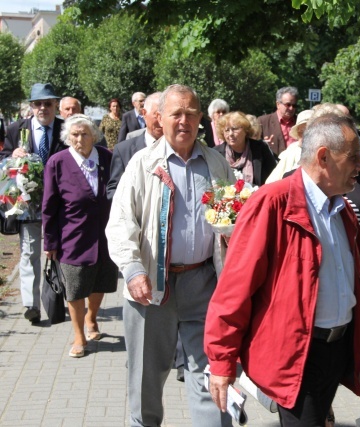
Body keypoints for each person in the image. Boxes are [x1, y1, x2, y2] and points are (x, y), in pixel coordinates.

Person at [204, 113, 360, 426]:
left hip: (337, 352)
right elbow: (234, 291)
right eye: (354, 158)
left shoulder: (341, 210)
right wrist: (222, 363)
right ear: (323, 157)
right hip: (296, 357)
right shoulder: (272, 204)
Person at [106, 84, 234, 427]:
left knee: (210, 376)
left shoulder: (217, 164)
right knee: (146, 380)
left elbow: (233, 219)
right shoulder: (143, 163)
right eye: (176, 113)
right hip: (149, 287)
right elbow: (119, 223)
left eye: (191, 113)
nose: (184, 121)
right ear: (159, 119)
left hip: (205, 284)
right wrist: (132, 269)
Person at [42, 114, 118, 358]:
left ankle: (92, 318)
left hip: (105, 234)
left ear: (94, 136)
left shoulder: (106, 158)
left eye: (85, 133)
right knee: (74, 288)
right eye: (74, 134)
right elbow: (49, 204)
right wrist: (50, 241)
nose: (80, 139)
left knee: (100, 282)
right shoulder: (58, 162)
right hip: (72, 236)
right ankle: (78, 335)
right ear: (67, 137)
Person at [0, 83, 67, 324]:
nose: (43, 108)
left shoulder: (65, 129)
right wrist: (12, 156)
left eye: (47, 103)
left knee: (59, 253)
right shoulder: (17, 129)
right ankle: (31, 305)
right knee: (29, 252)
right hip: (29, 204)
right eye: (38, 103)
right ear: (31, 106)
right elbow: (3, 159)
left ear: (55, 105)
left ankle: (59, 300)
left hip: (60, 204)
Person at [107, 92, 162, 200]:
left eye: (167, 115)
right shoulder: (123, 150)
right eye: (157, 115)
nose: (161, 121)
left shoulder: (181, 149)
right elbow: (113, 190)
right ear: (144, 114)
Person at [214, 111, 276, 185]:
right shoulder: (216, 153)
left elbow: (274, 176)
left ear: (245, 130)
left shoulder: (260, 148)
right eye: (227, 130)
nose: (230, 134)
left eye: (235, 129)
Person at [265, 109, 313, 184]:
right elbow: (271, 182)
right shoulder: (292, 150)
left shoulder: (322, 153)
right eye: (300, 132)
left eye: (307, 131)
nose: (303, 136)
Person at [258, 86, 298, 156]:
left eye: (294, 105)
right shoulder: (262, 122)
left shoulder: (299, 121)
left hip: (296, 165)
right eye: (288, 105)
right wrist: (263, 144)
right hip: (273, 164)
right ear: (278, 104)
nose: (291, 108)